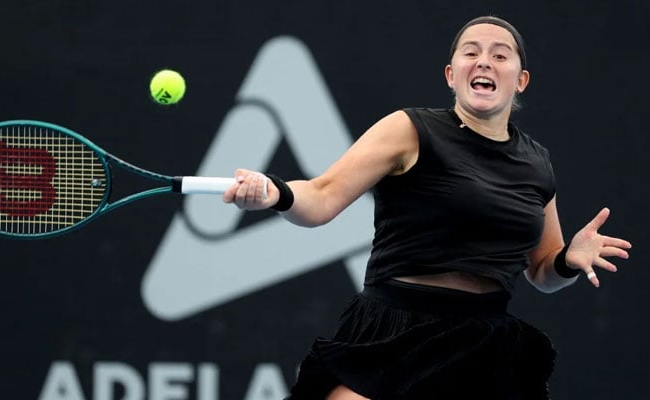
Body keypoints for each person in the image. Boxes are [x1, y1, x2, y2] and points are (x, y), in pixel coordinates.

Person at [222, 15, 632, 400]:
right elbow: (323, 196)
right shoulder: (409, 130)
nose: (484, 61)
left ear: (520, 80)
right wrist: (276, 193)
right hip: (392, 329)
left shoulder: (537, 161)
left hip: (483, 345)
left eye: (499, 54)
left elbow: (542, 271)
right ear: (451, 75)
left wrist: (567, 262)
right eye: (470, 52)